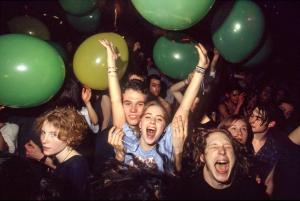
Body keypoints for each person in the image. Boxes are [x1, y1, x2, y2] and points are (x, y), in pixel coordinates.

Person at [100, 39, 210, 174]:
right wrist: (111, 64)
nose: (152, 121)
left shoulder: (166, 146)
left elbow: (185, 107)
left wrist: (200, 69)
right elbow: (116, 101)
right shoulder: (128, 141)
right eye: (148, 116)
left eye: (159, 119)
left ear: (165, 128)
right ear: (140, 123)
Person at [182, 129, 267, 200]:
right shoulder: (185, 190)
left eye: (227, 146)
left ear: (235, 155)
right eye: (214, 146)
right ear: (202, 157)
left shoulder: (252, 191)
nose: (222, 151)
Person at [25, 107, 90, 199]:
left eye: (53, 135)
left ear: (70, 137)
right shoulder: (58, 156)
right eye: (43, 132)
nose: (44, 140)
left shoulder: (76, 165)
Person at [249, 103, 283, 196]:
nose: (252, 120)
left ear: (271, 124)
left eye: (258, 118)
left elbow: (269, 181)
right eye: (252, 115)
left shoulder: (273, 149)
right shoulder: (241, 137)